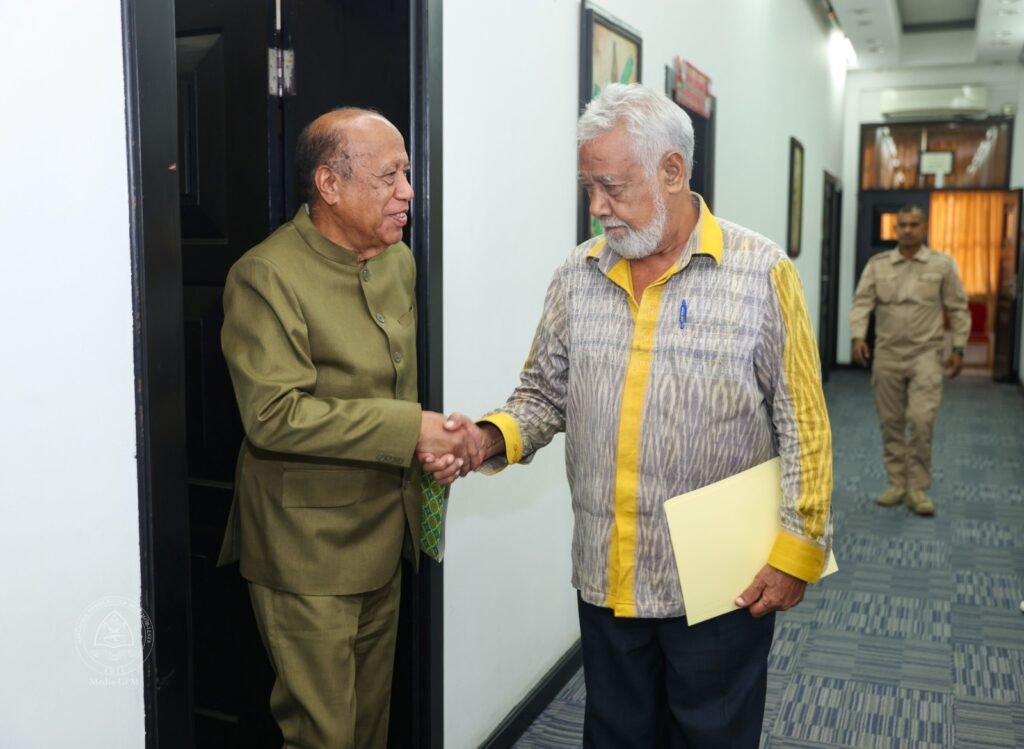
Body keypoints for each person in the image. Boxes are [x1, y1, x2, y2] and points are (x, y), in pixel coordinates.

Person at [424, 84, 833, 748]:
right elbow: (542, 395)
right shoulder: (577, 275)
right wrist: (485, 438)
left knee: (711, 737)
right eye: (588, 188)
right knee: (615, 735)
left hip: (721, 580)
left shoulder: (760, 273)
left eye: (610, 187)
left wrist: (797, 552)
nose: (597, 207)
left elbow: (804, 426)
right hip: (607, 572)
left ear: (672, 170)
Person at [217, 108, 476, 748]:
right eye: (389, 176)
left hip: (385, 536)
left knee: (368, 728)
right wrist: (410, 429)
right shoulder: (266, 275)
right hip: (306, 552)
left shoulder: (397, 262)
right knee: (323, 737)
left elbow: (398, 386)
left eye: (406, 173)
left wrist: (431, 449)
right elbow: (274, 415)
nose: (407, 192)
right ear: (329, 185)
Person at [850, 204, 970, 516]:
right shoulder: (878, 265)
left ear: (924, 227)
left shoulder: (941, 265)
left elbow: (957, 307)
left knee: (921, 420)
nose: (907, 230)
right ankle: (896, 484)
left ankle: (917, 487)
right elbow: (862, 302)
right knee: (891, 422)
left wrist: (959, 348)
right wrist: (858, 336)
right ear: (895, 229)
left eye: (914, 224)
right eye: (902, 225)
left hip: (925, 355)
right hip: (887, 354)